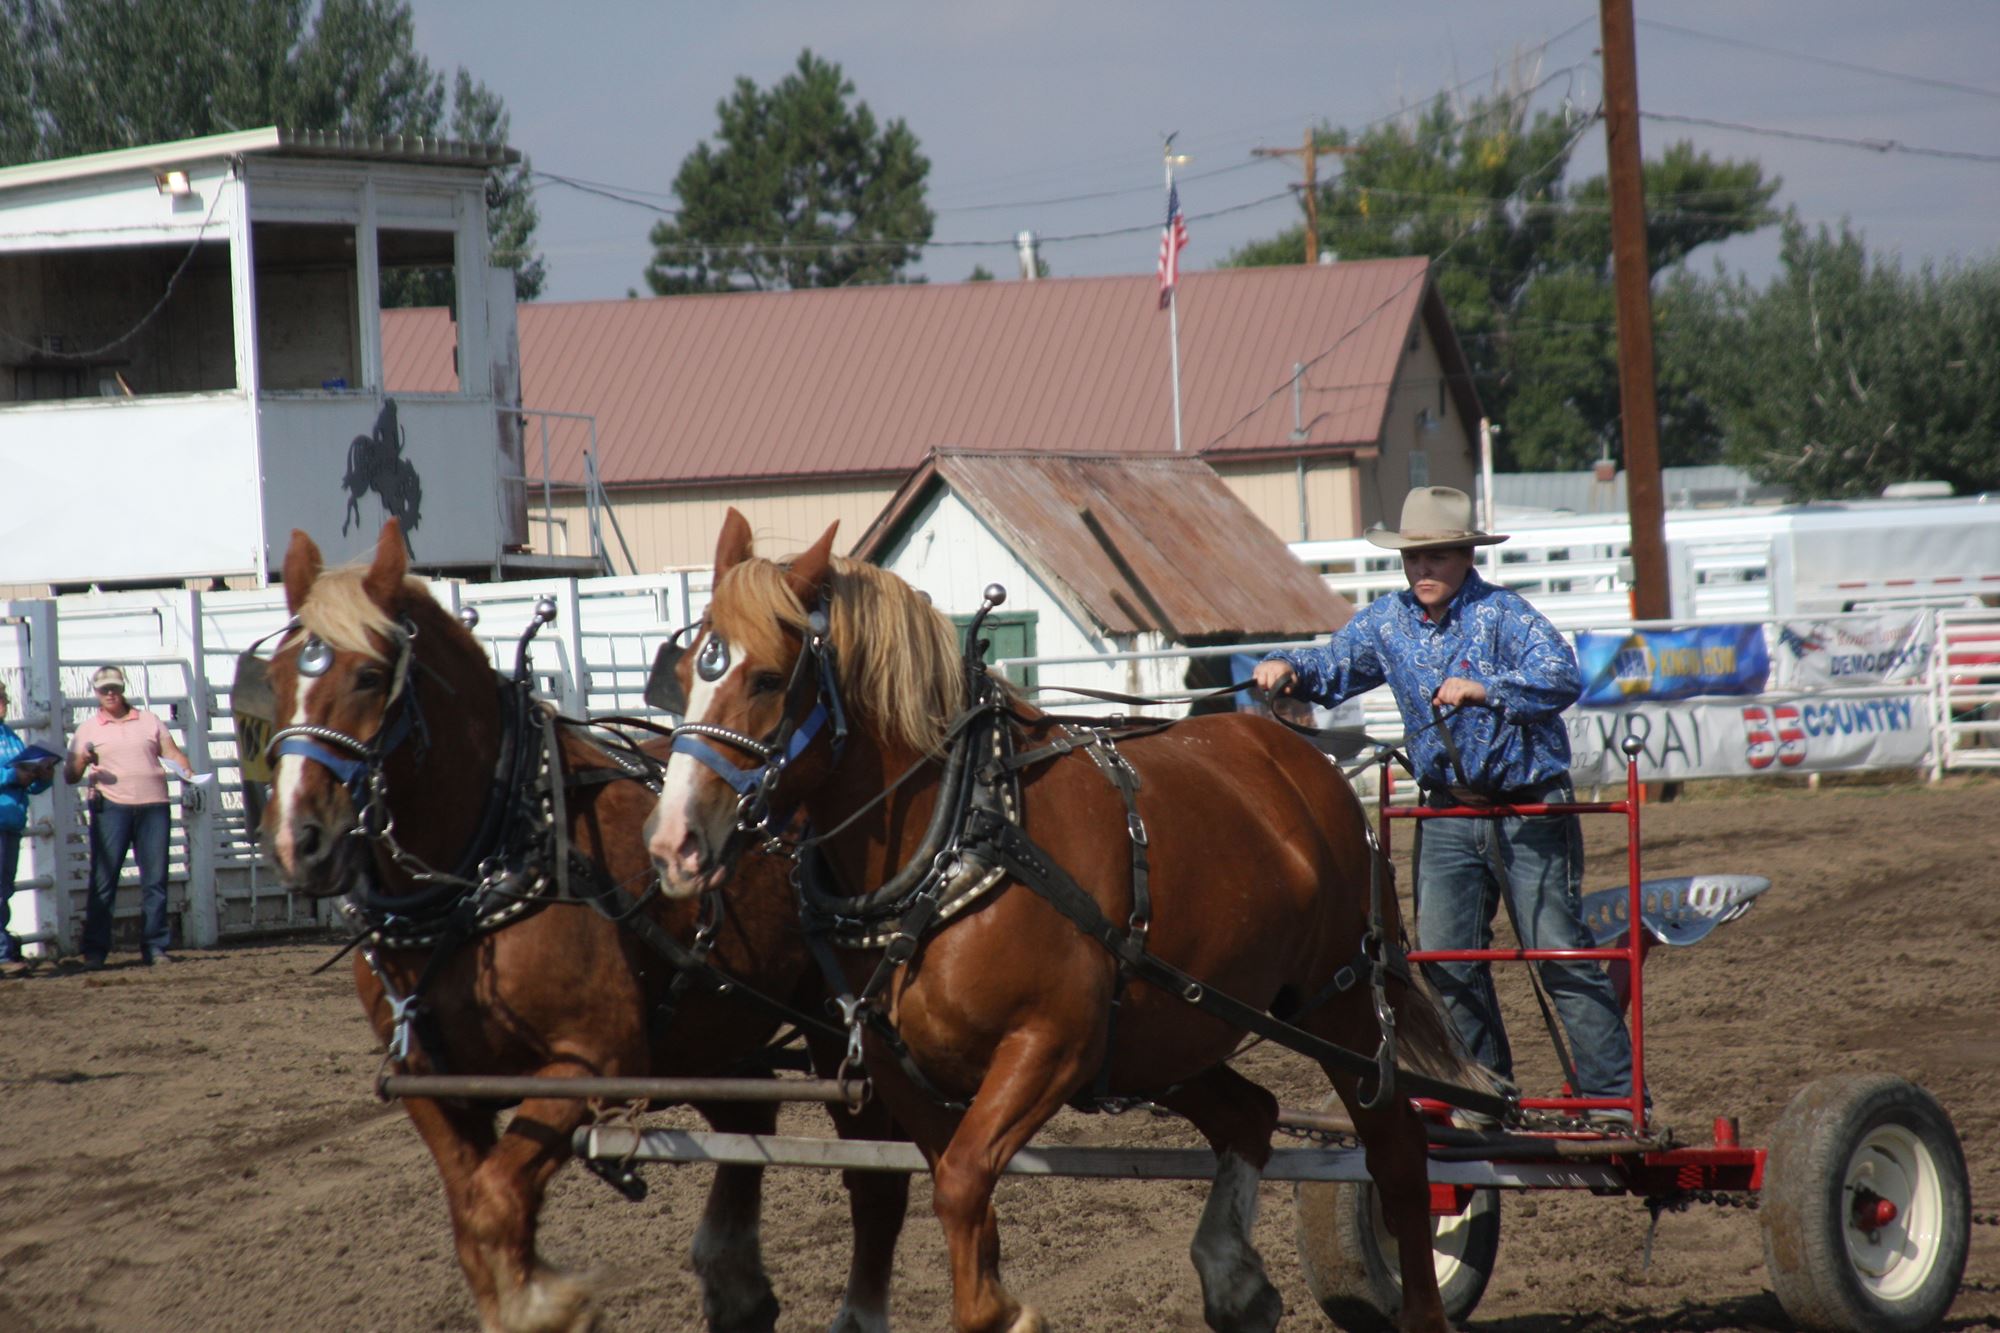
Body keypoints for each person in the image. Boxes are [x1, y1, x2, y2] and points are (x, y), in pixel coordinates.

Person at [1253, 486, 1639, 1124]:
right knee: (1444, 957)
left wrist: (1485, 689)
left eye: (1436, 556)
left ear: (1465, 556)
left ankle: (1613, 1101)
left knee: (1556, 949)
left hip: (1529, 807)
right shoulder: (1386, 623)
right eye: (1414, 558)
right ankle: (1483, 1094)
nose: (1423, 569)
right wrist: (1283, 665)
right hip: (1447, 812)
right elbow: (1331, 665)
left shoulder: (1505, 615)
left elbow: (1562, 675)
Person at [64, 666, 195, 969]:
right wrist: (83, 759)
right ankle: (95, 949)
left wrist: (187, 770)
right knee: (104, 878)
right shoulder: (88, 729)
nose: (110, 694)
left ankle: (155, 946)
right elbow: (71, 774)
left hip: (154, 806)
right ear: (96, 693)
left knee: (156, 878)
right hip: (111, 806)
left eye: (114, 688)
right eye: (104, 689)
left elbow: (171, 752)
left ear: (122, 689)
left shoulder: (149, 721)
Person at [1, 681, 56, 977]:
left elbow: (29, 784)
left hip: (10, 820)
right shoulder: (9, 739)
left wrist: (41, 775)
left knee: (4, 890)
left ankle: (3, 949)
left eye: (2, 700)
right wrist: (14, 774)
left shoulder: (10, 737)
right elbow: (13, 774)